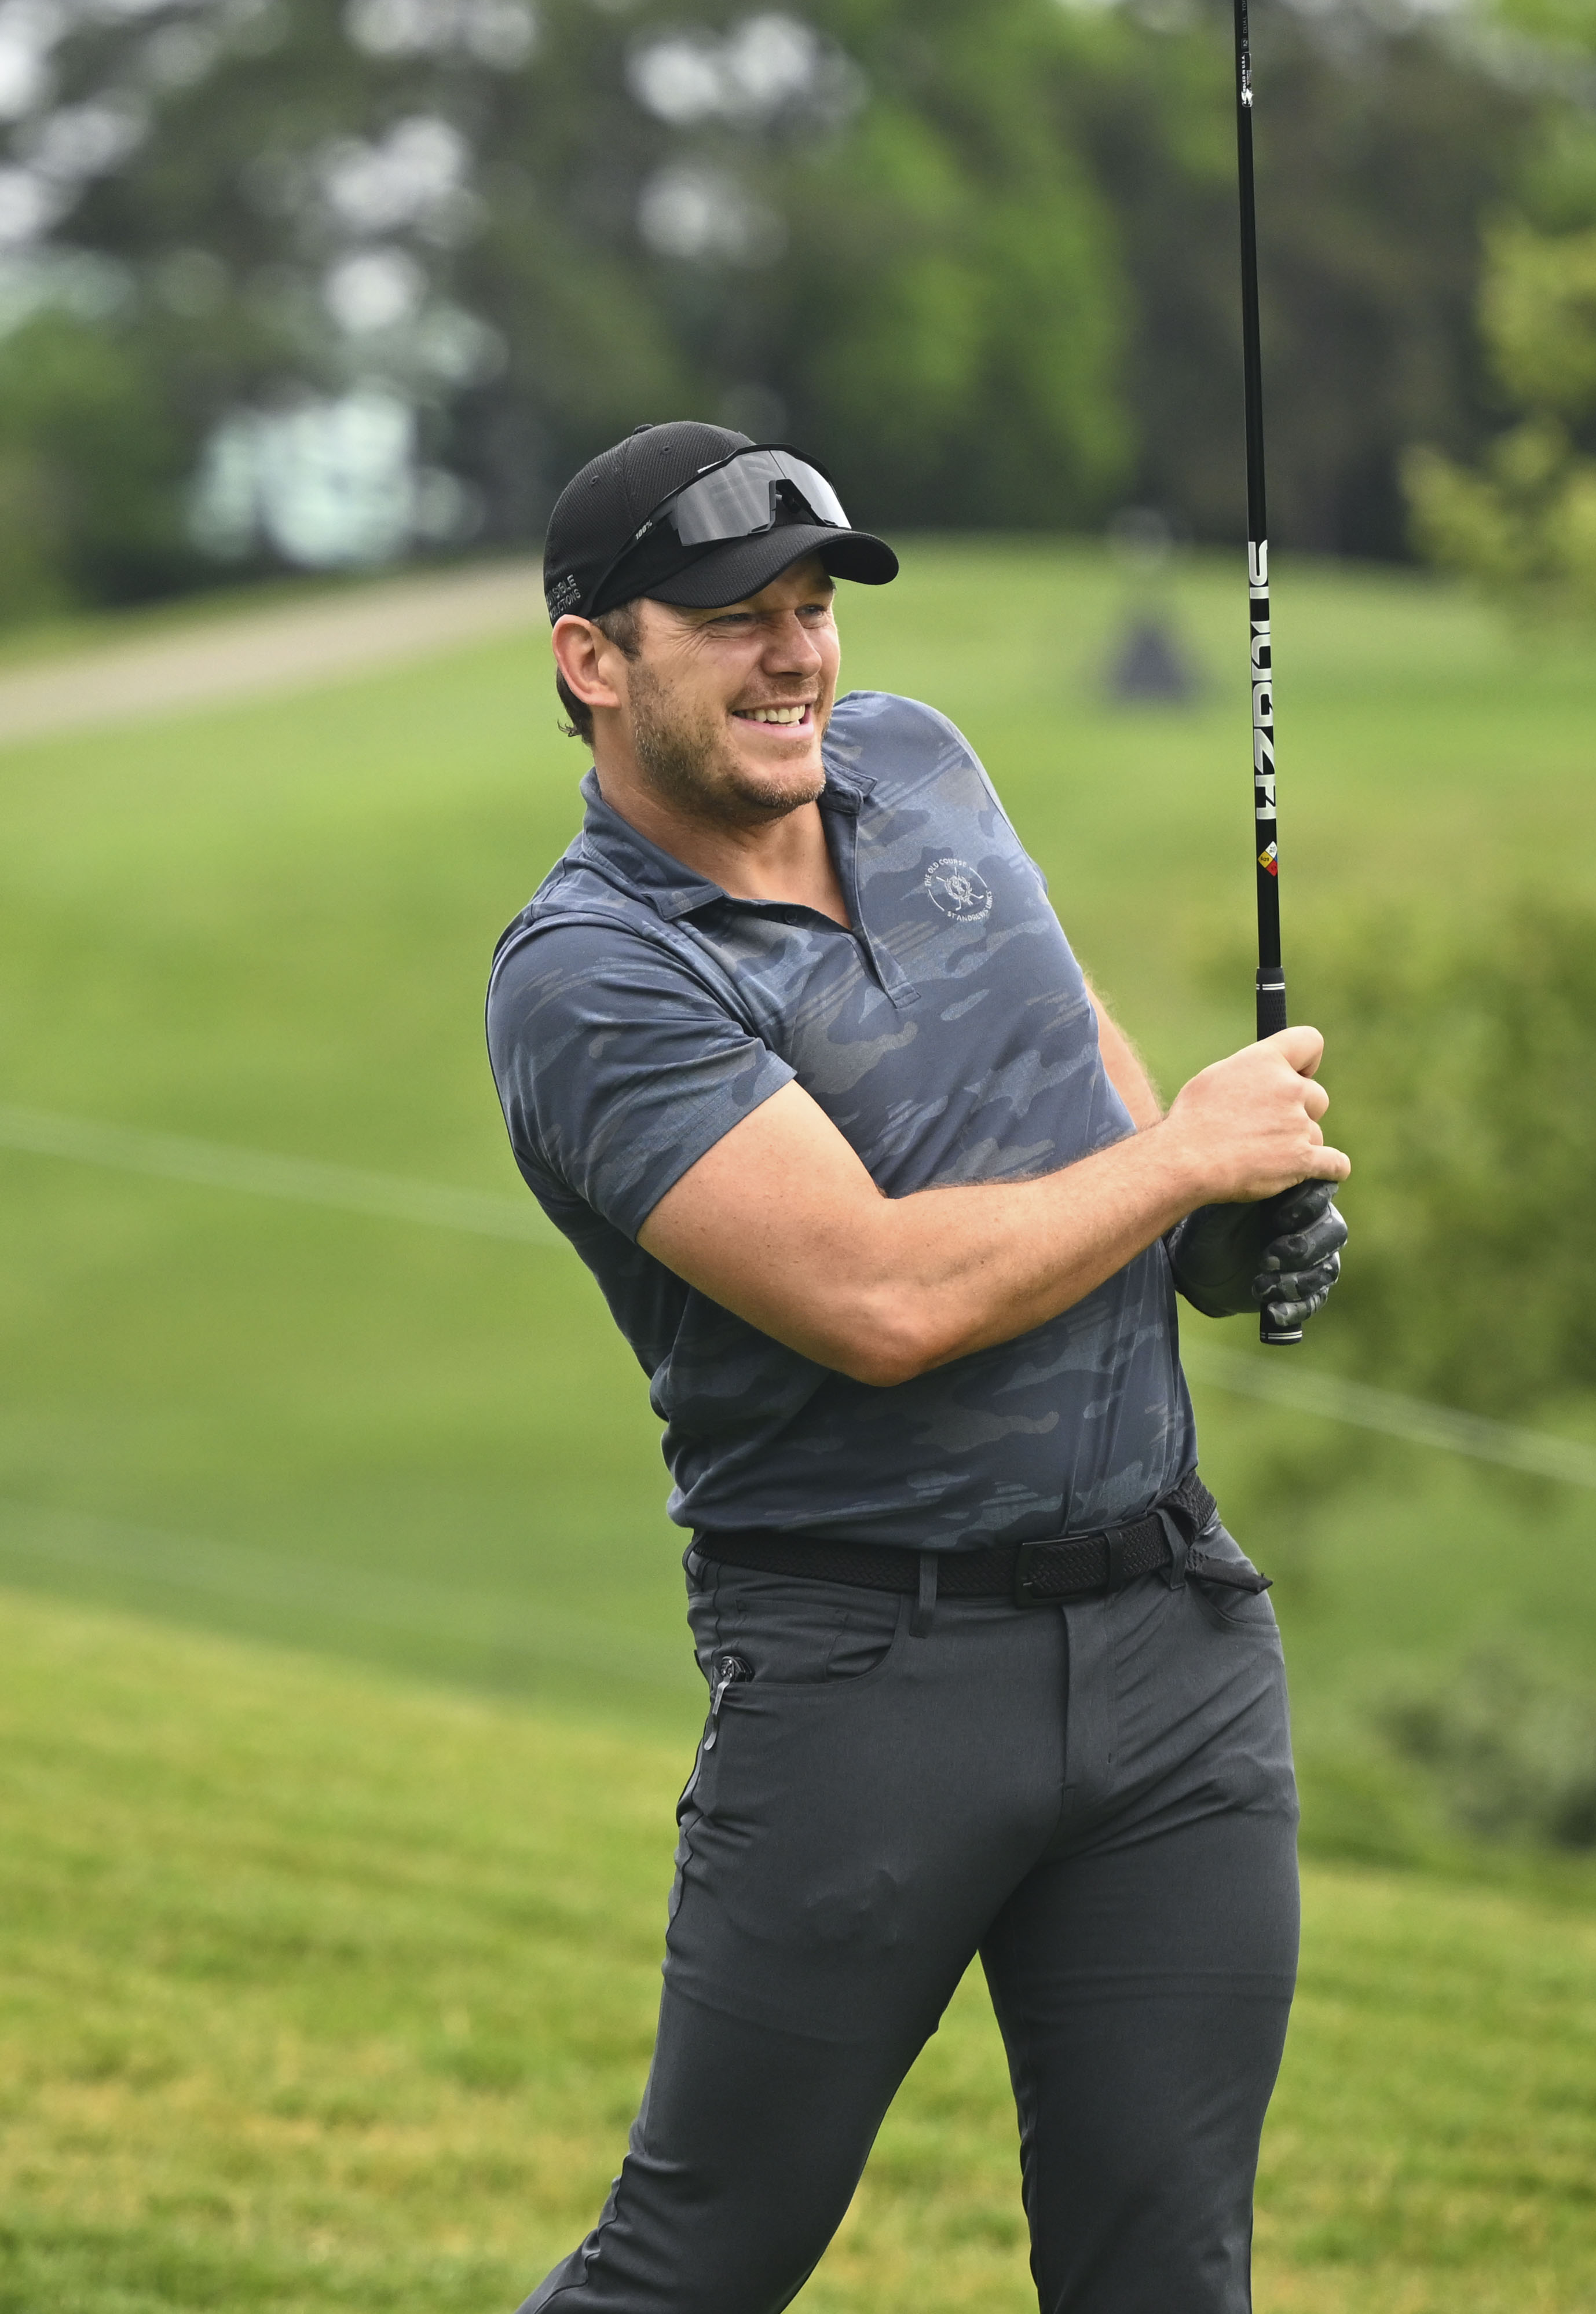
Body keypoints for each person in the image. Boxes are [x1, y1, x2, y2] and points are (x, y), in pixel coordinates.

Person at [486, 418, 1350, 2314]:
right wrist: (1183, 1160)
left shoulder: (918, 760)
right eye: (734, 618)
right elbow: (875, 1297)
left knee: (1170, 2272)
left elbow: (1076, 1053)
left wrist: (1201, 1223)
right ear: (594, 660)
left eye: (812, 609)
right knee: (703, 2260)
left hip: (1171, 1644)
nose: (797, 654)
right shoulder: (592, 976)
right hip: (869, 1679)